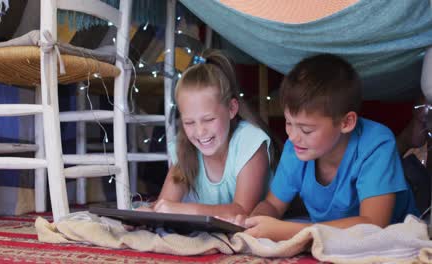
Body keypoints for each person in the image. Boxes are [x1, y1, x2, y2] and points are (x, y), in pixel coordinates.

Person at [233, 54, 419, 241]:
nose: (293, 136)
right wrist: (255, 220)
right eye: (289, 123)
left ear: (346, 122)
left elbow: (374, 224)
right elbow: (272, 205)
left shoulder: (376, 143)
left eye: (306, 129)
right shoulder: (296, 147)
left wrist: (288, 230)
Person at [139, 49, 278, 219]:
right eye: (189, 122)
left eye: (209, 119)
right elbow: (166, 203)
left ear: (231, 109)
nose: (199, 131)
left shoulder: (250, 142)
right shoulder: (184, 148)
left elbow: (242, 211)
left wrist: (186, 210)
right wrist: (147, 215)